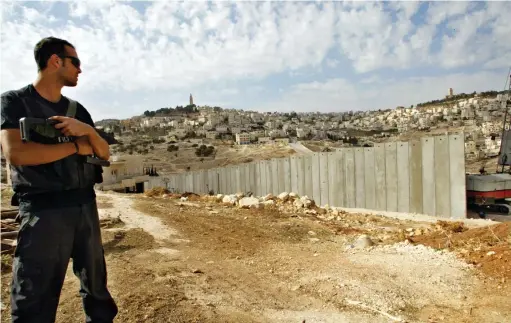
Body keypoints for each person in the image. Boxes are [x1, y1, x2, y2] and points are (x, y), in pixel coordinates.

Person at [0, 37, 118, 322]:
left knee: (96, 290)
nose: (80, 69)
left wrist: (86, 130)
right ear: (56, 61)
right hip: (42, 209)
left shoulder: (77, 111)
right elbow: (16, 154)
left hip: (84, 206)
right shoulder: (15, 102)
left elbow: (104, 153)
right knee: (34, 299)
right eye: (75, 62)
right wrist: (76, 146)